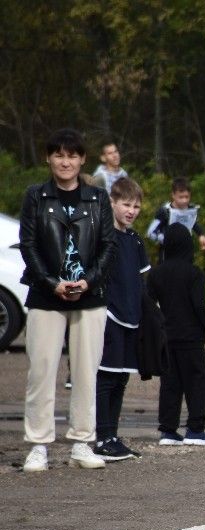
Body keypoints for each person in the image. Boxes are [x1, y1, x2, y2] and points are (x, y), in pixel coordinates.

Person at [19, 128, 115, 472]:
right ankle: (38, 445)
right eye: (59, 155)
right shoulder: (35, 196)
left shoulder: (98, 198)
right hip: (46, 295)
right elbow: (28, 245)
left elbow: (108, 245)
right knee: (41, 372)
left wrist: (88, 281)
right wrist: (50, 282)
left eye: (72, 155)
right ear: (49, 158)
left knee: (87, 373)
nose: (66, 162)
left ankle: (82, 442)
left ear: (83, 159)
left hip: (90, 296)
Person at [147, 223, 205, 446]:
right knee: (197, 382)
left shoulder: (156, 273)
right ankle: (195, 430)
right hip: (191, 337)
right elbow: (199, 306)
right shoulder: (194, 274)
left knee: (170, 384)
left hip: (167, 337)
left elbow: (149, 305)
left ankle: (168, 430)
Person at [94, 177, 152, 461]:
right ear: (112, 203)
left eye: (136, 206)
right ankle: (101, 437)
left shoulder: (135, 240)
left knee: (120, 381)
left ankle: (113, 435)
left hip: (132, 318)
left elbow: (141, 282)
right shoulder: (103, 238)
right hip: (109, 316)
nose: (131, 210)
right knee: (105, 378)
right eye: (126, 204)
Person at [146, 177, 205, 254]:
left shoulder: (190, 210)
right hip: (167, 253)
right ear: (173, 195)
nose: (184, 200)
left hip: (185, 250)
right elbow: (151, 232)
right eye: (181, 197)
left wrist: (201, 235)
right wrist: (165, 239)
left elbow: (193, 223)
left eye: (187, 197)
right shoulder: (165, 211)